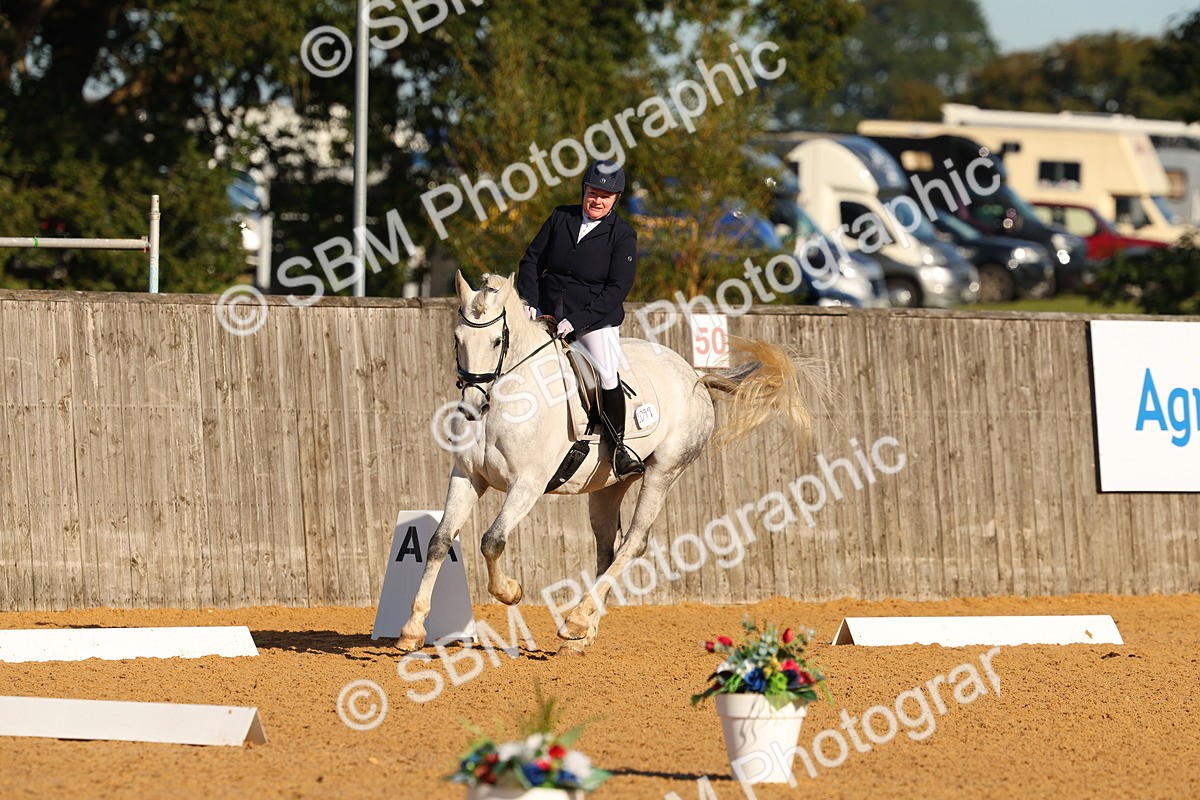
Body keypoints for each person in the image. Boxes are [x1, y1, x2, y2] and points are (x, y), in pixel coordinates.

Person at [516, 159, 645, 480]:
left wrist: (577, 321)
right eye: (592, 192)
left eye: (605, 195)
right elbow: (531, 261)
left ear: (616, 199)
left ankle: (618, 447)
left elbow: (618, 289)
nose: (596, 200)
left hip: (593, 319)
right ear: (583, 190)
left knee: (606, 373)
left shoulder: (623, 235)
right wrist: (529, 302)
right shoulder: (561, 217)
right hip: (544, 310)